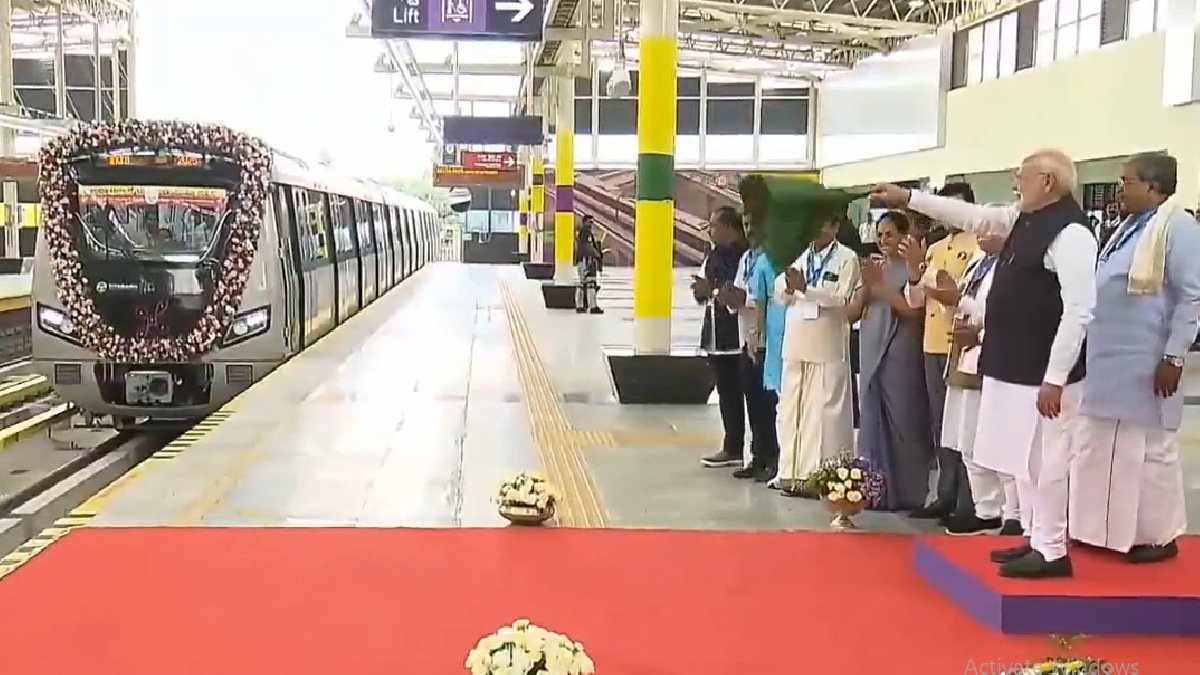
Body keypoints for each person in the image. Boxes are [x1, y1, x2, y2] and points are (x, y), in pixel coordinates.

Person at [871, 148, 1097, 579]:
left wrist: (1056, 375)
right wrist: (908, 198)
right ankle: (1033, 536)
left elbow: (1079, 311)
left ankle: (1052, 548)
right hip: (1011, 364)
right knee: (1019, 458)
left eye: (1021, 177)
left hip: (1043, 372)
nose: (1016, 184)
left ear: (1047, 182)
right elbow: (972, 216)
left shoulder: (1071, 233)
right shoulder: (1024, 219)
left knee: (1046, 461)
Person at [1070, 153, 1200, 563]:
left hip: (1147, 360)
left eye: (1127, 181)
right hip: (1108, 360)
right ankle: (1098, 530)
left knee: (1148, 452)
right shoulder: (1128, 225)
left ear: (1154, 187)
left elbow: (1190, 296)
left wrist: (1174, 356)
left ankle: (1159, 536)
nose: (1119, 188)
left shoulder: (1177, 226)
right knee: (1099, 446)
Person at [937, 229, 1024, 536]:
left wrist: (980, 335)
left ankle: (1013, 513)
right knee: (969, 440)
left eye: (990, 229)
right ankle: (985, 509)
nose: (982, 234)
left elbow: (1015, 319)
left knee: (1001, 441)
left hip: (997, 362)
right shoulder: (979, 262)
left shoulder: (1015, 268)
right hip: (967, 359)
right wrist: (950, 297)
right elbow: (967, 305)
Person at [902, 182, 980, 523]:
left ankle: (969, 497)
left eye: (955, 205)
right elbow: (915, 300)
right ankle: (944, 492)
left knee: (965, 424)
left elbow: (965, 295)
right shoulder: (934, 246)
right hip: (931, 341)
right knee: (941, 423)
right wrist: (914, 273)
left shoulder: (980, 244)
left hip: (961, 343)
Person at [848, 211, 932, 511]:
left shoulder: (914, 269)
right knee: (872, 418)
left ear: (903, 235)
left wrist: (883, 287)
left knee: (903, 420)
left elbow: (913, 312)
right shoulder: (874, 267)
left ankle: (907, 492)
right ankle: (872, 490)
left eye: (890, 235)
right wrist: (867, 286)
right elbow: (852, 314)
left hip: (901, 349)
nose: (883, 241)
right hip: (870, 348)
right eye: (880, 235)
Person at [771, 216, 860, 496]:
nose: (819, 229)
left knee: (823, 412)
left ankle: (819, 476)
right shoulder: (798, 254)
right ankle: (788, 472)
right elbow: (779, 293)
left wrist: (806, 288)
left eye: (825, 224)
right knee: (790, 410)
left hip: (826, 344)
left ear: (834, 227)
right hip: (796, 342)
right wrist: (788, 287)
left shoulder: (847, 257)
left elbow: (841, 298)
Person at [716, 212, 781, 481]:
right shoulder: (747, 259)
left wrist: (742, 298)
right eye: (747, 225)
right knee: (752, 401)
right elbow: (741, 296)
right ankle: (757, 456)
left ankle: (773, 457)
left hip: (765, 340)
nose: (750, 230)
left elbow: (767, 298)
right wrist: (729, 296)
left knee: (768, 404)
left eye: (755, 225)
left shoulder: (771, 259)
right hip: (746, 340)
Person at [693, 209, 750, 468]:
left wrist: (713, 290)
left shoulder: (743, 257)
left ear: (729, 227)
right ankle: (732, 445)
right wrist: (701, 292)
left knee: (749, 393)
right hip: (716, 334)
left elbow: (736, 292)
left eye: (714, 225)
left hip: (737, 334)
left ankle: (757, 448)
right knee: (726, 392)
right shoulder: (713, 255)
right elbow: (704, 290)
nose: (710, 230)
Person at [574, 216, 604, 315]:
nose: (591, 224)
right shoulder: (586, 232)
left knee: (582, 283)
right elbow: (589, 246)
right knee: (590, 283)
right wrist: (597, 254)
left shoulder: (581, 232)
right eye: (590, 222)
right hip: (587, 260)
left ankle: (580, 306)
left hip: (582, 259)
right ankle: (592, 306)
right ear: (585, 222)